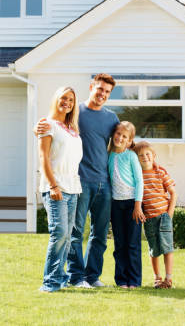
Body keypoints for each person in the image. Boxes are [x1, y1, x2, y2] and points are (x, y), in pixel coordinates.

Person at [36, 73, 119, 288]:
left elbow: (122, 142)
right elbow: (50, 130)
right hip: (80, 183)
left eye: (107, 91)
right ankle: (75, 276)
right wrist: (38, 128)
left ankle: (92, 277)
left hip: (102, 183)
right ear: (92, 87)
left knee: (99, 235)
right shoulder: (75, 113)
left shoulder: (110, 118)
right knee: (73, 233)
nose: (102, 94)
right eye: (99, 89)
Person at [38, 86, 83, 292]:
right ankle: (50, 283)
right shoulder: (47, 124)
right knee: (59, 234)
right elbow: (43, 157)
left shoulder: (71, 129)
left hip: (73, 188)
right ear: (56, 98)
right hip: (55, 187)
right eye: (64, 98)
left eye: (71, 100)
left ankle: (61, 278)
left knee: (67, 238)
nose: (67, 102)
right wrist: (53, 185)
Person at [134, 140, 177, 289]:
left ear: (154, 155)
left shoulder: (160, 172)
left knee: (167, 248)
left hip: (163, 216)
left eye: (148, 154)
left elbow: (173, 193)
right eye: (141, 155)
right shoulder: (137, 174)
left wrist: (169, 214)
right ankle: (157, 278)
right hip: (149, 219)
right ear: (137, 159)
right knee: (154, 250)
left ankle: (168, 278)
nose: (145, 157)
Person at [108, 121, 144, 288]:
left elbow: (139, 181)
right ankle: (121, 280)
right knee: (120, 244)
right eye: (118, 134)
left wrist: (137, 206)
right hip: (116, 205)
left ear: (130, 141)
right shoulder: (109, 155)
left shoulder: (130, 156)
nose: (120, 138)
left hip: (132, 205)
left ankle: (134, 281)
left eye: (124, 136)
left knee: (133, 244)